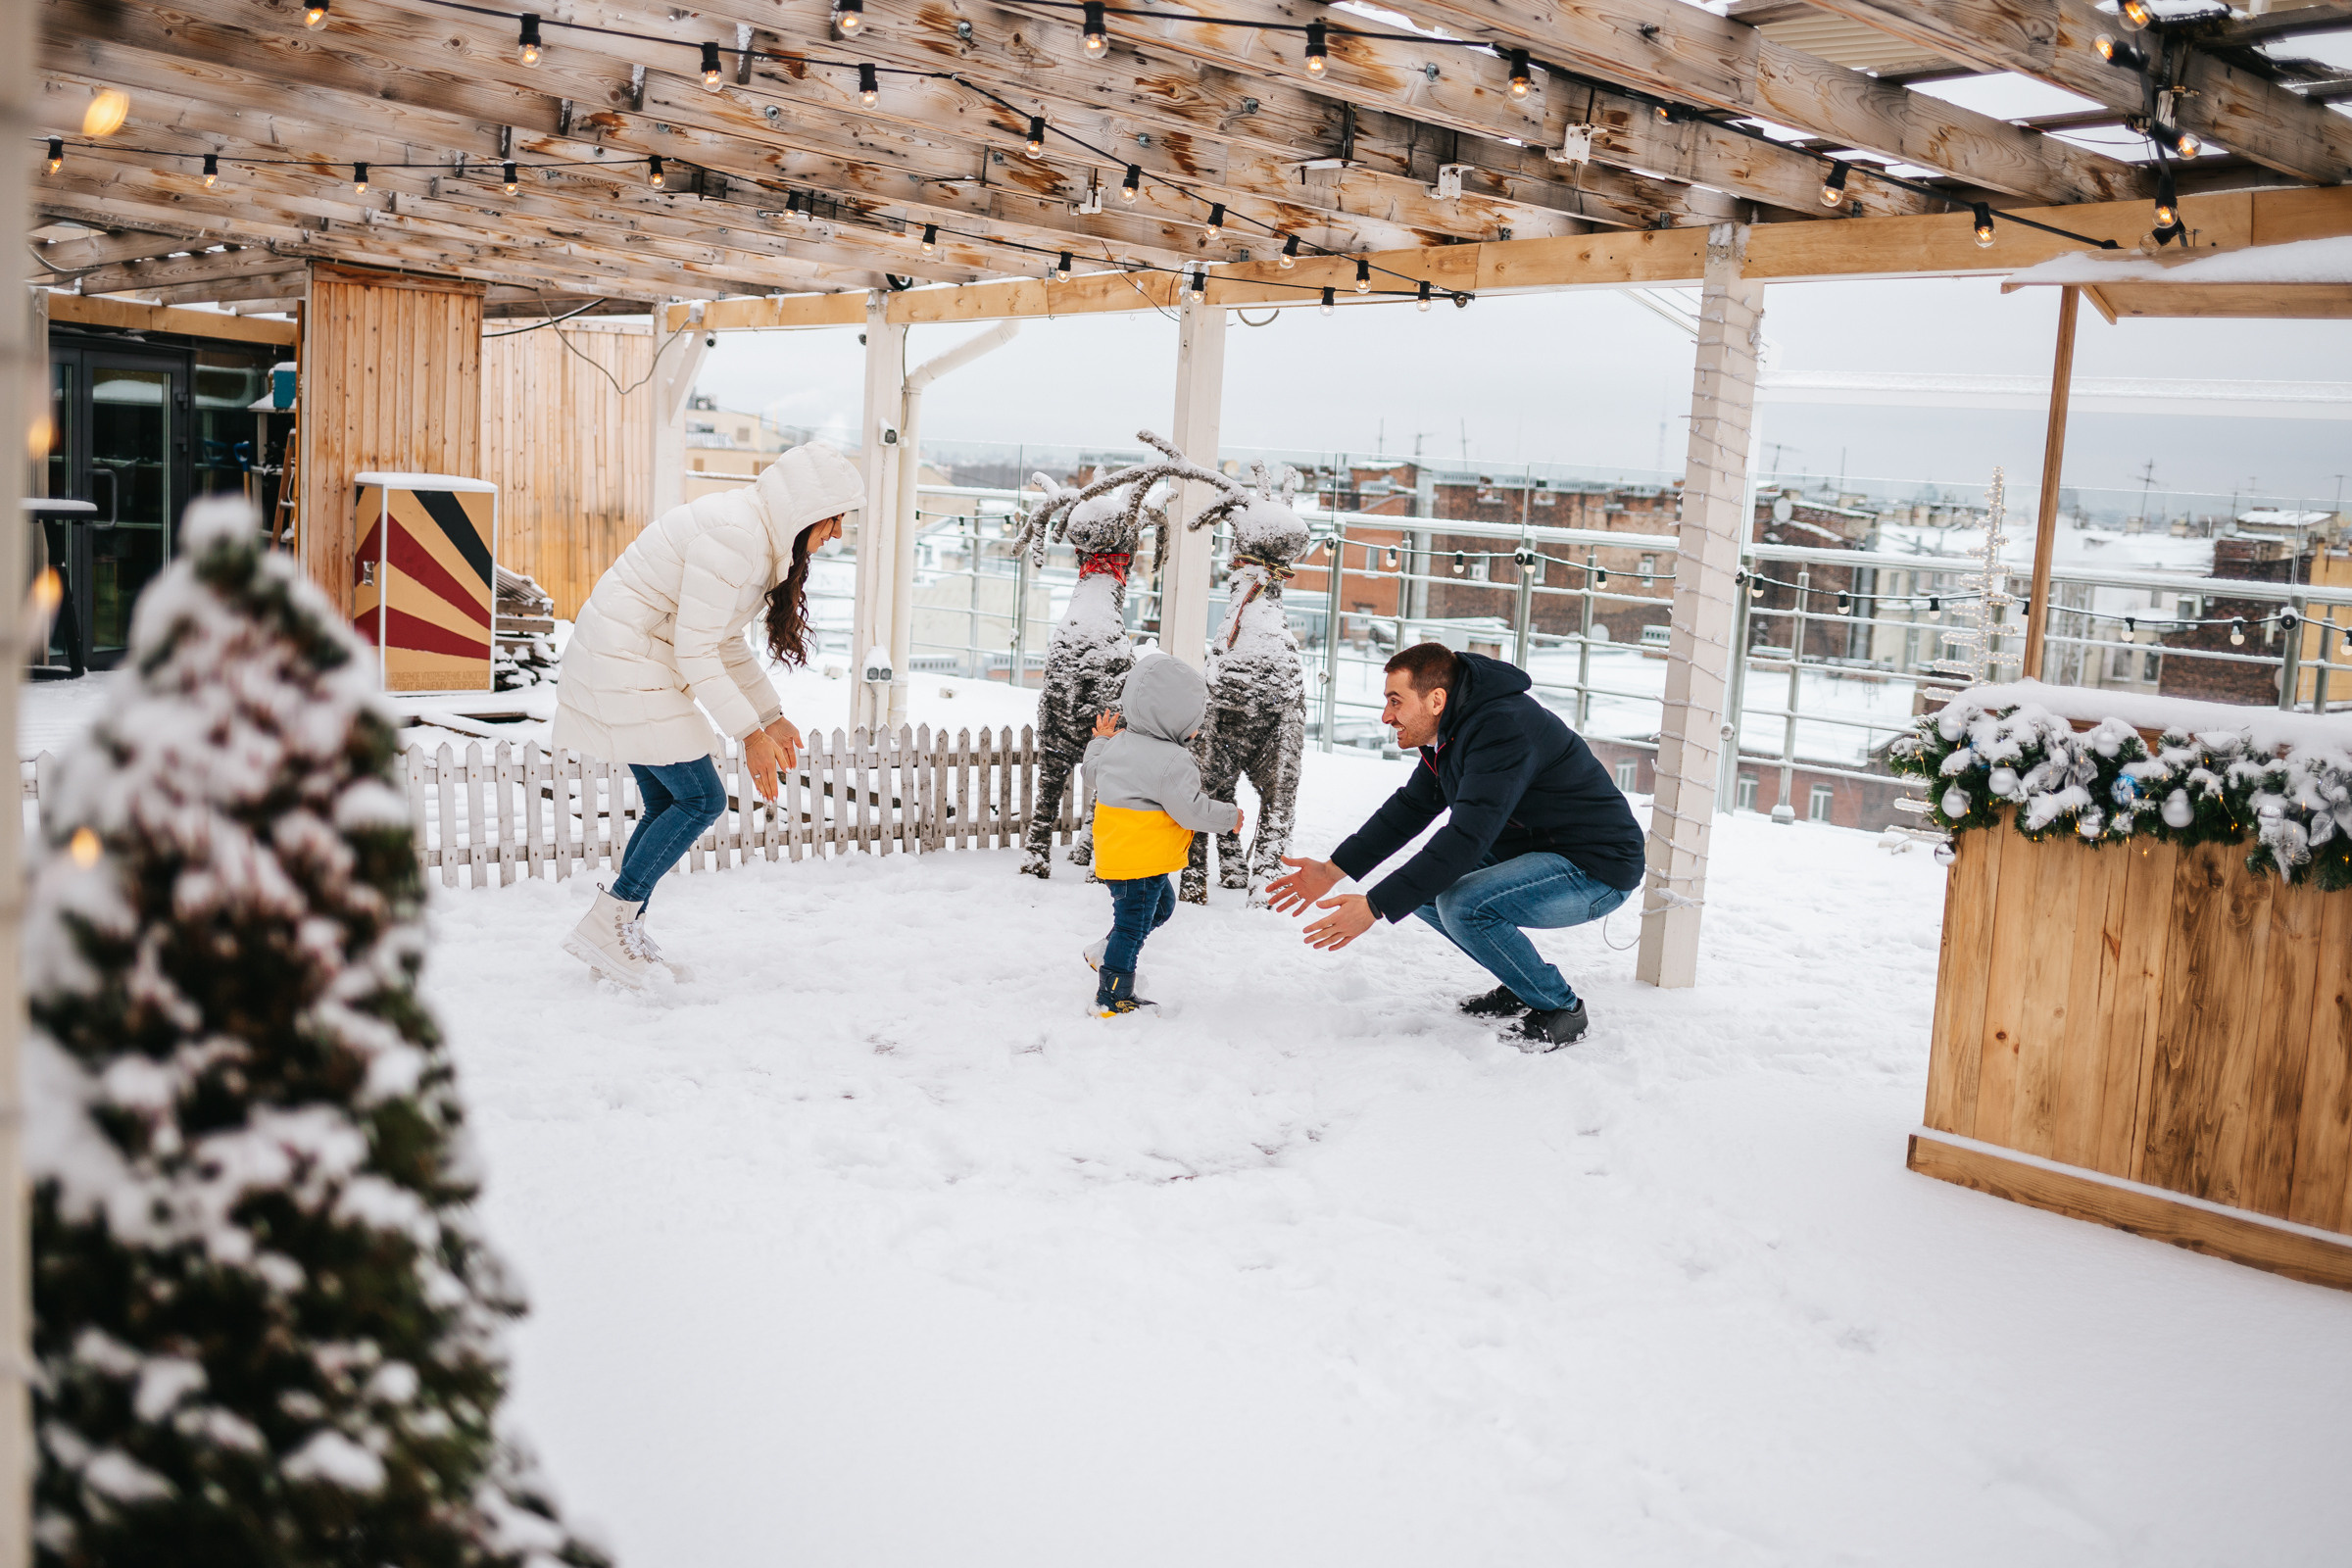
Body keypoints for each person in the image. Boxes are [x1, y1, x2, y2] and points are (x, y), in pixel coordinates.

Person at [549, 441, 864, 988]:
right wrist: (749, 733)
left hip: (633, 658)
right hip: (625, 661)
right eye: (834, 519)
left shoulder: (751, 536)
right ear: (806, 510)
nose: (837, 533)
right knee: (701, 798)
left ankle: (620, 933)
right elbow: (697, 652)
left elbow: (720, 641)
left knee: (669, 800)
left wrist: (771, 714)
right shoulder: (736, 539)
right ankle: (613, 920)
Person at [1265, 642, 1646, 1050]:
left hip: (1595, 869)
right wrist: (1332, 869)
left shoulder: (1502, 729)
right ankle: (1522, 983)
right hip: (1535, 850)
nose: (1386, 716)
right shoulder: (1455, 727)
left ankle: (1560, 1008)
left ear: (1436, 699)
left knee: (1462, 904)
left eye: (1396, 701)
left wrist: (1375, 906)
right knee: (1427, 894)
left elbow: (1467, 837)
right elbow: (1412, 807)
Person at [1078, 655, 1244, 1017]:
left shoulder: (1118, 745)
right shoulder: (1173, 761)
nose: (1196, 730)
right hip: (1141, 861)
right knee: (1132, 926)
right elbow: (1191, 810)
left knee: (1161, 907)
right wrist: (1229, 816)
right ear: (1174, 718)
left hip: (1120, 856)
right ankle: (1113, 996)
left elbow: (1090, 773)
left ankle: (1105, 951)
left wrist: (1101, 740)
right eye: (1193, 721)